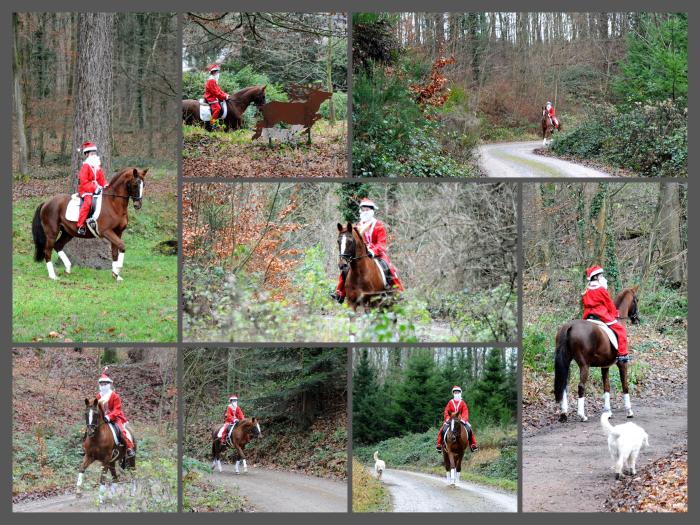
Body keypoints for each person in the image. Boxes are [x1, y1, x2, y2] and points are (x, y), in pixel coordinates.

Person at [331, 198, 404, 304]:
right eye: (363, 209)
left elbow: (382, 243)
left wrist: (373, 251)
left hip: (376, 253)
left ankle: (396, 291)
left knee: (388, 266)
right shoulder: (358, 226)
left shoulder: (378, 225)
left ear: (371, 211)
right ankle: (340, 292)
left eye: (366, 209)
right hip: (361, 254)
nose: (364, 212)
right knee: (346, 268)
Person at [582, 265, 629, 361]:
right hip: (601, 315)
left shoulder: (587, 290)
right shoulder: (601, 289)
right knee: (621, 330)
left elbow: (585, 304)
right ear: (596, 277)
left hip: (588, 315)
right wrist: (615, 314)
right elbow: (609, 304)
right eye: (601, 275)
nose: (603, 277)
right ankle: (622, 355)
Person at [96, 368, 135, 457]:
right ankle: (86, 448)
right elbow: (96, 408)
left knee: (122, 431)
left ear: (109, 384)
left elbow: (117, 410)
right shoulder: (98, 396)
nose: (103, 386)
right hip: (102, 418)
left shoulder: (114, 396)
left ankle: (129, 448)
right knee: (90, 428)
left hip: (114, 417)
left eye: (105, 384)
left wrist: (109, 417)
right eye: (101, 384)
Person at [76, 141, 108, 235]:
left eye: (94, 153)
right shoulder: (85, 166)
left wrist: (105, 185)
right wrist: (95, 188)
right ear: (87, 155)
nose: (93, 155)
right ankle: (80, 225)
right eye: (91, 153)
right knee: (88, 202)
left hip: (97, 188)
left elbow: (102, 179)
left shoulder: (98, 167)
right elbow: (84, 182)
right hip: (86, 190)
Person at [436, 386, 478, 452]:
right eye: (455, 392)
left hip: (460, 420)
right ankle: (439, 444)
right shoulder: (450, 402)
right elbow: (446, 411)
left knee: (469, 429)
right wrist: (447, 419)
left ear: (460, 393)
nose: (456, 393)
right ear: (453, 393)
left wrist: (463, 420)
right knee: (442, 429)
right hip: (451, 420)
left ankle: (473, 444)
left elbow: (465, 412)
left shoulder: (462, 403)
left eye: (458, 392)